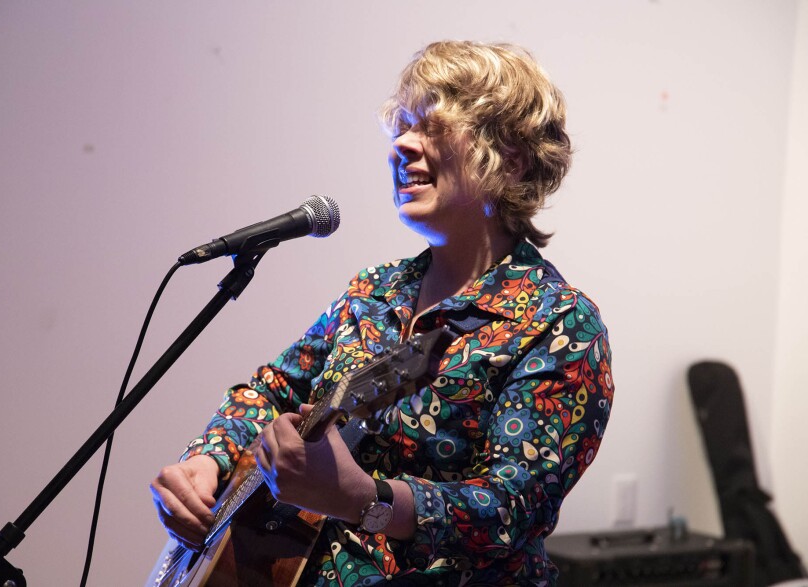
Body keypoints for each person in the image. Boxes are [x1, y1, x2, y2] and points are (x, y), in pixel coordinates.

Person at [150, 40, 614, 585]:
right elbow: (272, 389)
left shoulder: (560, 324)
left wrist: (364, 500)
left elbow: (511, 510)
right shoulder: (375, 290)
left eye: (431, 128)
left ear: (509, 159)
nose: (402, 146)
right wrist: (207, 461)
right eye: (401, 129)